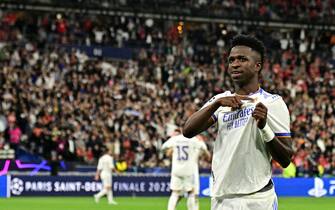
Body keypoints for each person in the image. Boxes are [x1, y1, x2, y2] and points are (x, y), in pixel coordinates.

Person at [183, 34, 294, 210]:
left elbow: (286, 158)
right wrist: (216, 104)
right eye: (231, 60)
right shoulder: (221, 100)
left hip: (258, 199)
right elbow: (187, 131)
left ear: (257, 66)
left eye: (242, 59)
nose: (235, 64)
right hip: (222, 199)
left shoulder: (273, 103)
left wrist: (264, 127)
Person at [162, 129, 209, 210]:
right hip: (189, 170)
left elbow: (163, 147)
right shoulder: (193, 139)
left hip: (176, 169)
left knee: (175, 193)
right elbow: (204, 148)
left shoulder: (175, 139)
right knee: (191, 193)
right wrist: (201, 142)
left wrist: (172, 148)